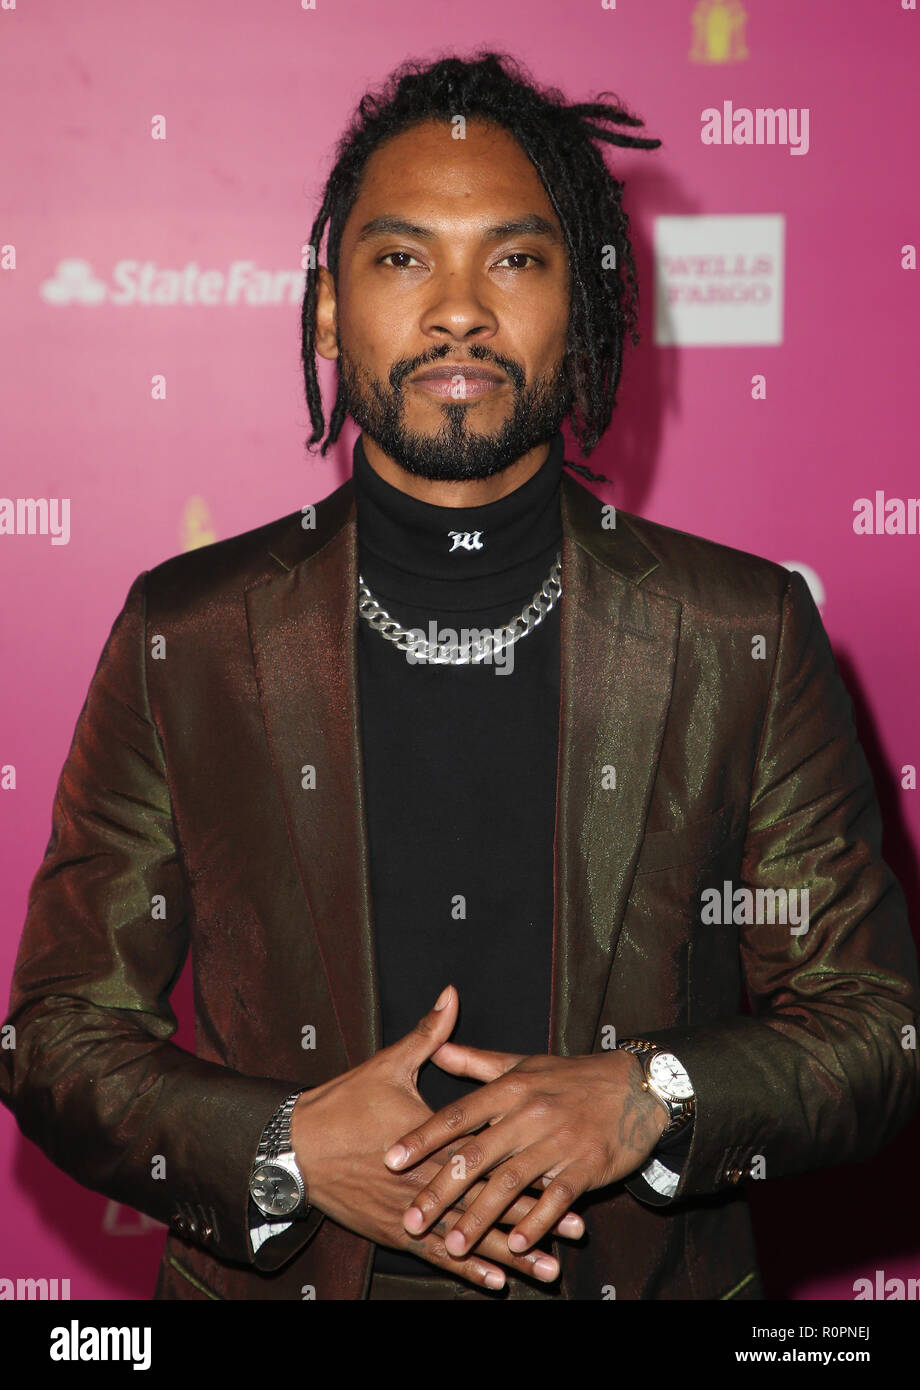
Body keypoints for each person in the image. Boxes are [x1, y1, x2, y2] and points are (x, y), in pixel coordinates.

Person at [2, 51, 918, 1303]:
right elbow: (56, 1033)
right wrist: (283, 1149)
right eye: (398, 257)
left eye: (513, 257)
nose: (455, 310)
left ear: (582, 303)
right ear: (328, 309)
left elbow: (870, 1027)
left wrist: (651, 1095)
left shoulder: (736, 630)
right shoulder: (190, 633)